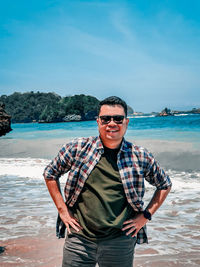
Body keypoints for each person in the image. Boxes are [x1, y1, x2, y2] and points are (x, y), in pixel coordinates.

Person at [43, 96, 172, 267]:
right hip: (79, 239)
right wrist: (62, 210)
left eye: (118, 119)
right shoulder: (78, 148)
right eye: (106, 119)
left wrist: (145, 216)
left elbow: (164, 184)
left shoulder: (140, 155)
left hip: (120, 241)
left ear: (126, 122)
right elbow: (50, 173)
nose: (112, 123)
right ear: (98, 122)